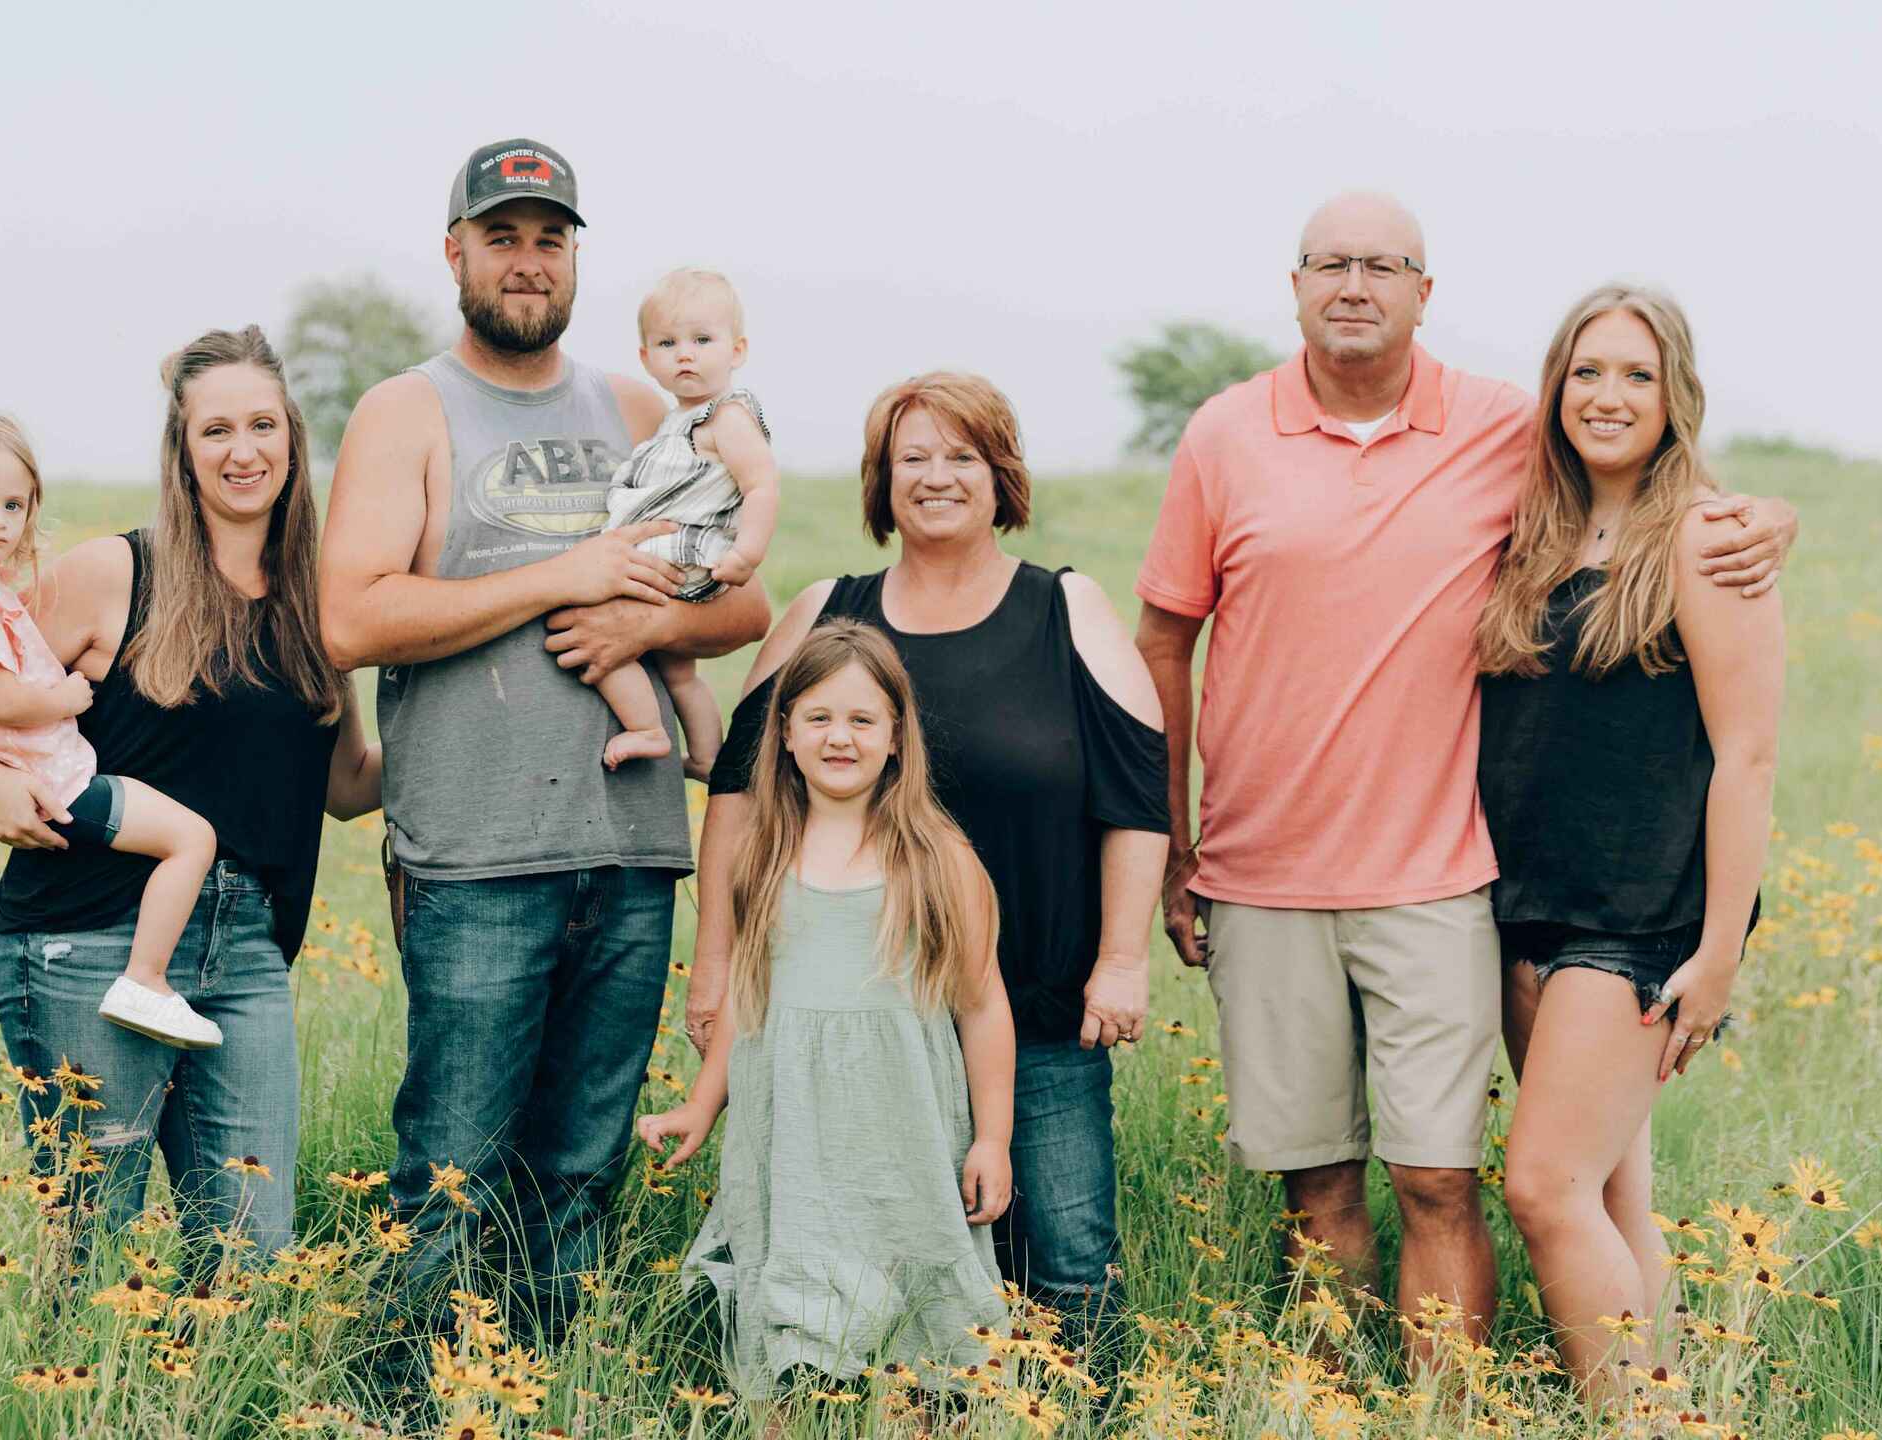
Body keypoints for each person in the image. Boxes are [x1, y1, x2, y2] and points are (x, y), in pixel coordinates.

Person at [1131, 192, 1796, 1365]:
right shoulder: (1258, 442)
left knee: (1512, 1187)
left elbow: (1742, 736)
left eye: (1382, 264)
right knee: (1569, 1195)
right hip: (1459, 894)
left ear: (1421, 292)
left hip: (1543, 903)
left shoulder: (1592, 480)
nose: (1604, 397)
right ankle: (1640, 1395)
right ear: (1292, 282)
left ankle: (1568, 1410)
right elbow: (1165, 635)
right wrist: (1172, 847)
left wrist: (1767, 518)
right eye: (1327, 262)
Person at [316, 138, 771, 1355]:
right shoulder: (406, 410)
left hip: (627, 852)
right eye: (503, 236)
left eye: (550, 238)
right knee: (453, 1166)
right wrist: (558, 576)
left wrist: (642, 615)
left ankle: (543, 1387)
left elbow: (743, 603)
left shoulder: (639, 407)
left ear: (576, 258)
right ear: (455, 250)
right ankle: (408, 1395)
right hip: (473, 855)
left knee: (578, 1166)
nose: (528, 261)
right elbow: (352, 615)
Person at [688, 372, 1167, 1377]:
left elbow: (1136, 794)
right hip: (860, 1029)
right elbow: (737, 793)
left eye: (962, 456)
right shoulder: (831, 614)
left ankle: (1083, 1411)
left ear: (1003, 477)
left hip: (1030, 1011)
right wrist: (713, 970)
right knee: (884, 1259)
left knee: (1068, 1263)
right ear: (879, 481)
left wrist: (1120, 960)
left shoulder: (1065, 608)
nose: (937, 477)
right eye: (912, 458)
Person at [0, 326, 381, 1268]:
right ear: (182, 448)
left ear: (292, 435)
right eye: (215, 431)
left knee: (250, 1257)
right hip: (88, 937)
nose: (242, 451)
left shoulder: (321, 605)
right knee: (88, 1256)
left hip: (247, 955)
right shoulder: (111, 573)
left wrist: (479, 714)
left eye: (261, 425)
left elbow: (349, 787)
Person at [1480, 285, 1781, 1399]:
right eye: (1587, 372)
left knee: (1544, 1187)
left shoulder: (1704, 538)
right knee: (1610, 1197)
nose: (1607, 397)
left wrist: (1716, 953)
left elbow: (1745, 756)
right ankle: (1673, 1401)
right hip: (1526, 899)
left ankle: (1632, 1422)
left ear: (1675, 396)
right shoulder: (1530, 531)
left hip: (1639, 913)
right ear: (1555, 386)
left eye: (1636, 376)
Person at [640, 621, 1014, 1399]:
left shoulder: (937, 857)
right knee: (786, 1324)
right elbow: (749, 998)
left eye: (860, 720)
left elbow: (980, 1006)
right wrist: (701, 1105)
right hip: (792, 1131)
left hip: (900, 1125)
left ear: (895, 736)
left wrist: (992, 1140)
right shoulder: (764, 854)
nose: (838, 737)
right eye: (817, 718)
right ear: (783, 732)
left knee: (920, 1333)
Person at [0, 413, 223, 1050]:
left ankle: (139, 974)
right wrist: (66, 694)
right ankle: (145, 978)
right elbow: (6, 702)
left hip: (54, 778)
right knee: (190, 839)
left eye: (13, 504)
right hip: (61, 785)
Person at [594, 267, 779, 777]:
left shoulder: (727, 417)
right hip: (673, 556)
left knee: (592, 626)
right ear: (646, 358)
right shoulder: (675, 419)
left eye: (702, 339)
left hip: (683, 557)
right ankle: (706, 756)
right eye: (668, 342)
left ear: (736, 351)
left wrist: (747, 553)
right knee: (680, 674)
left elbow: (761, 485)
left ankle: (647, 729)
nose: (685, 354)